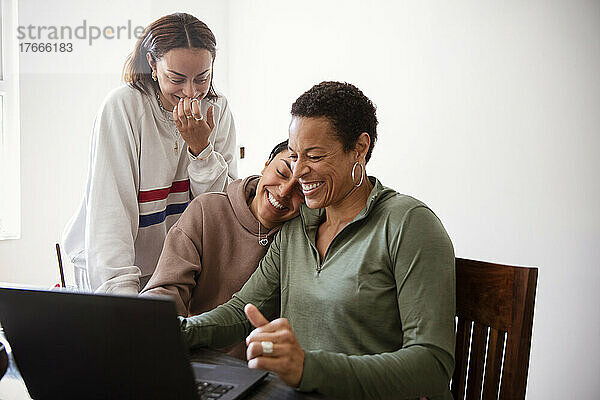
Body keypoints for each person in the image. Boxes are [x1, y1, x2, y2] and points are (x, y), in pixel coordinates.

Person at [178, 82, 456, 399]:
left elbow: (433, 365)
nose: (299, 171)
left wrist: (308, 368)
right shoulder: (299, 226)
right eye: (295, 155)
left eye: (315, 155)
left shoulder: (408, 223)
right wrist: (177, 331)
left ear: (360, 149)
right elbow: (243, 311)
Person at [62, 13, 237, 295]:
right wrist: (123, 298)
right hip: (116, 268)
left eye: (202, 78)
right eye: (176, 79)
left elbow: (220, 210)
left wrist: (201, 150)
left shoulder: (217, 109)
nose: (191, 92)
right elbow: (111, 214)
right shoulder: (124, 107)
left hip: (177, 268)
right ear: (153, 64)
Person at [140, 140, 303, 359]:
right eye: (282, 173)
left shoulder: (301, 237)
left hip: (269, 369)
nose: (284, 192)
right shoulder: (207, 211)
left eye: (300, 190)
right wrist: (147, 323)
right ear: (265, 166)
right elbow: (168, 290)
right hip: (201, 357)